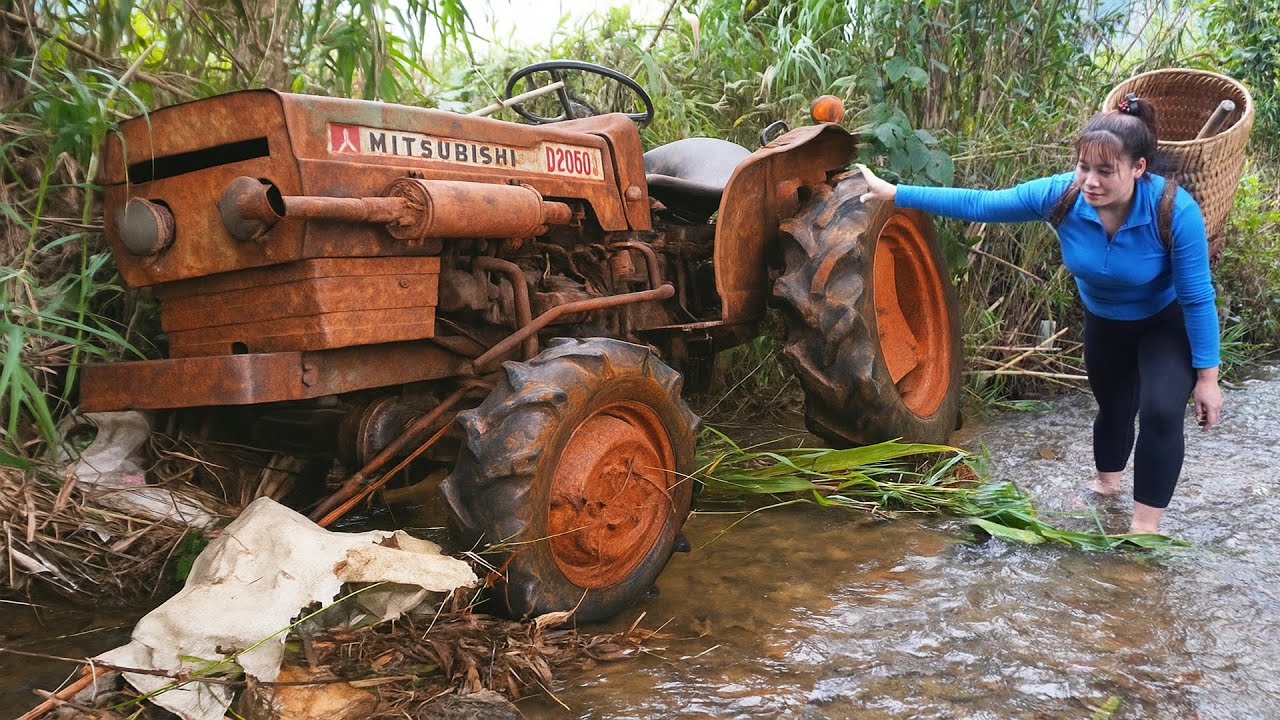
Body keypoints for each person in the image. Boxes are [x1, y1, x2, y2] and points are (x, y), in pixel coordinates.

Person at [855, 95, 1223, 535]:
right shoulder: (1061, 195)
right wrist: (895, 193)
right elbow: (983, 205)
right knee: (1114, 406)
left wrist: (1208, 380)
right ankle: (1107, 488)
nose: (1090, 181)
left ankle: (1144, 529)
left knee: (1161, 411)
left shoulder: (1173, 211)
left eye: (1106, 171)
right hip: (1106, 321)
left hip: (1165, 322)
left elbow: (1198, 297)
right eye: (1084, 166)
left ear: (1139, 168)